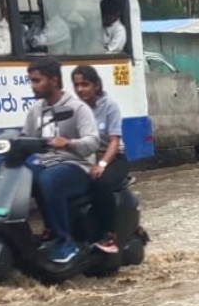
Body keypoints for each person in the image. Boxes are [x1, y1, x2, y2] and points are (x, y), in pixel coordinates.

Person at [22, 56, 99, 264]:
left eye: (37, 80)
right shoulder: (36, 109)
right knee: (22, 175)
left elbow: (93, 142)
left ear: (54, 80)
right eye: (31, 80)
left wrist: (68, 143)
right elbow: (26, 137)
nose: (32, 85)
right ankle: (32, 234)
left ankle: (65, 241)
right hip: (47, 165)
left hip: (76, 167)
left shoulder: (78, 108)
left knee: (49, 179)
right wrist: (1, 141)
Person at [71, 64, 125, 254]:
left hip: (112, 158)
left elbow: (114, 141)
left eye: (85, 85)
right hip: (86, 158)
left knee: (99, 181)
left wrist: (102, 164)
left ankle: (109, 235)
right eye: (76, 85)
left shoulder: (109, 106)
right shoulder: (75, 108)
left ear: (96, 85)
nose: (80, 90)